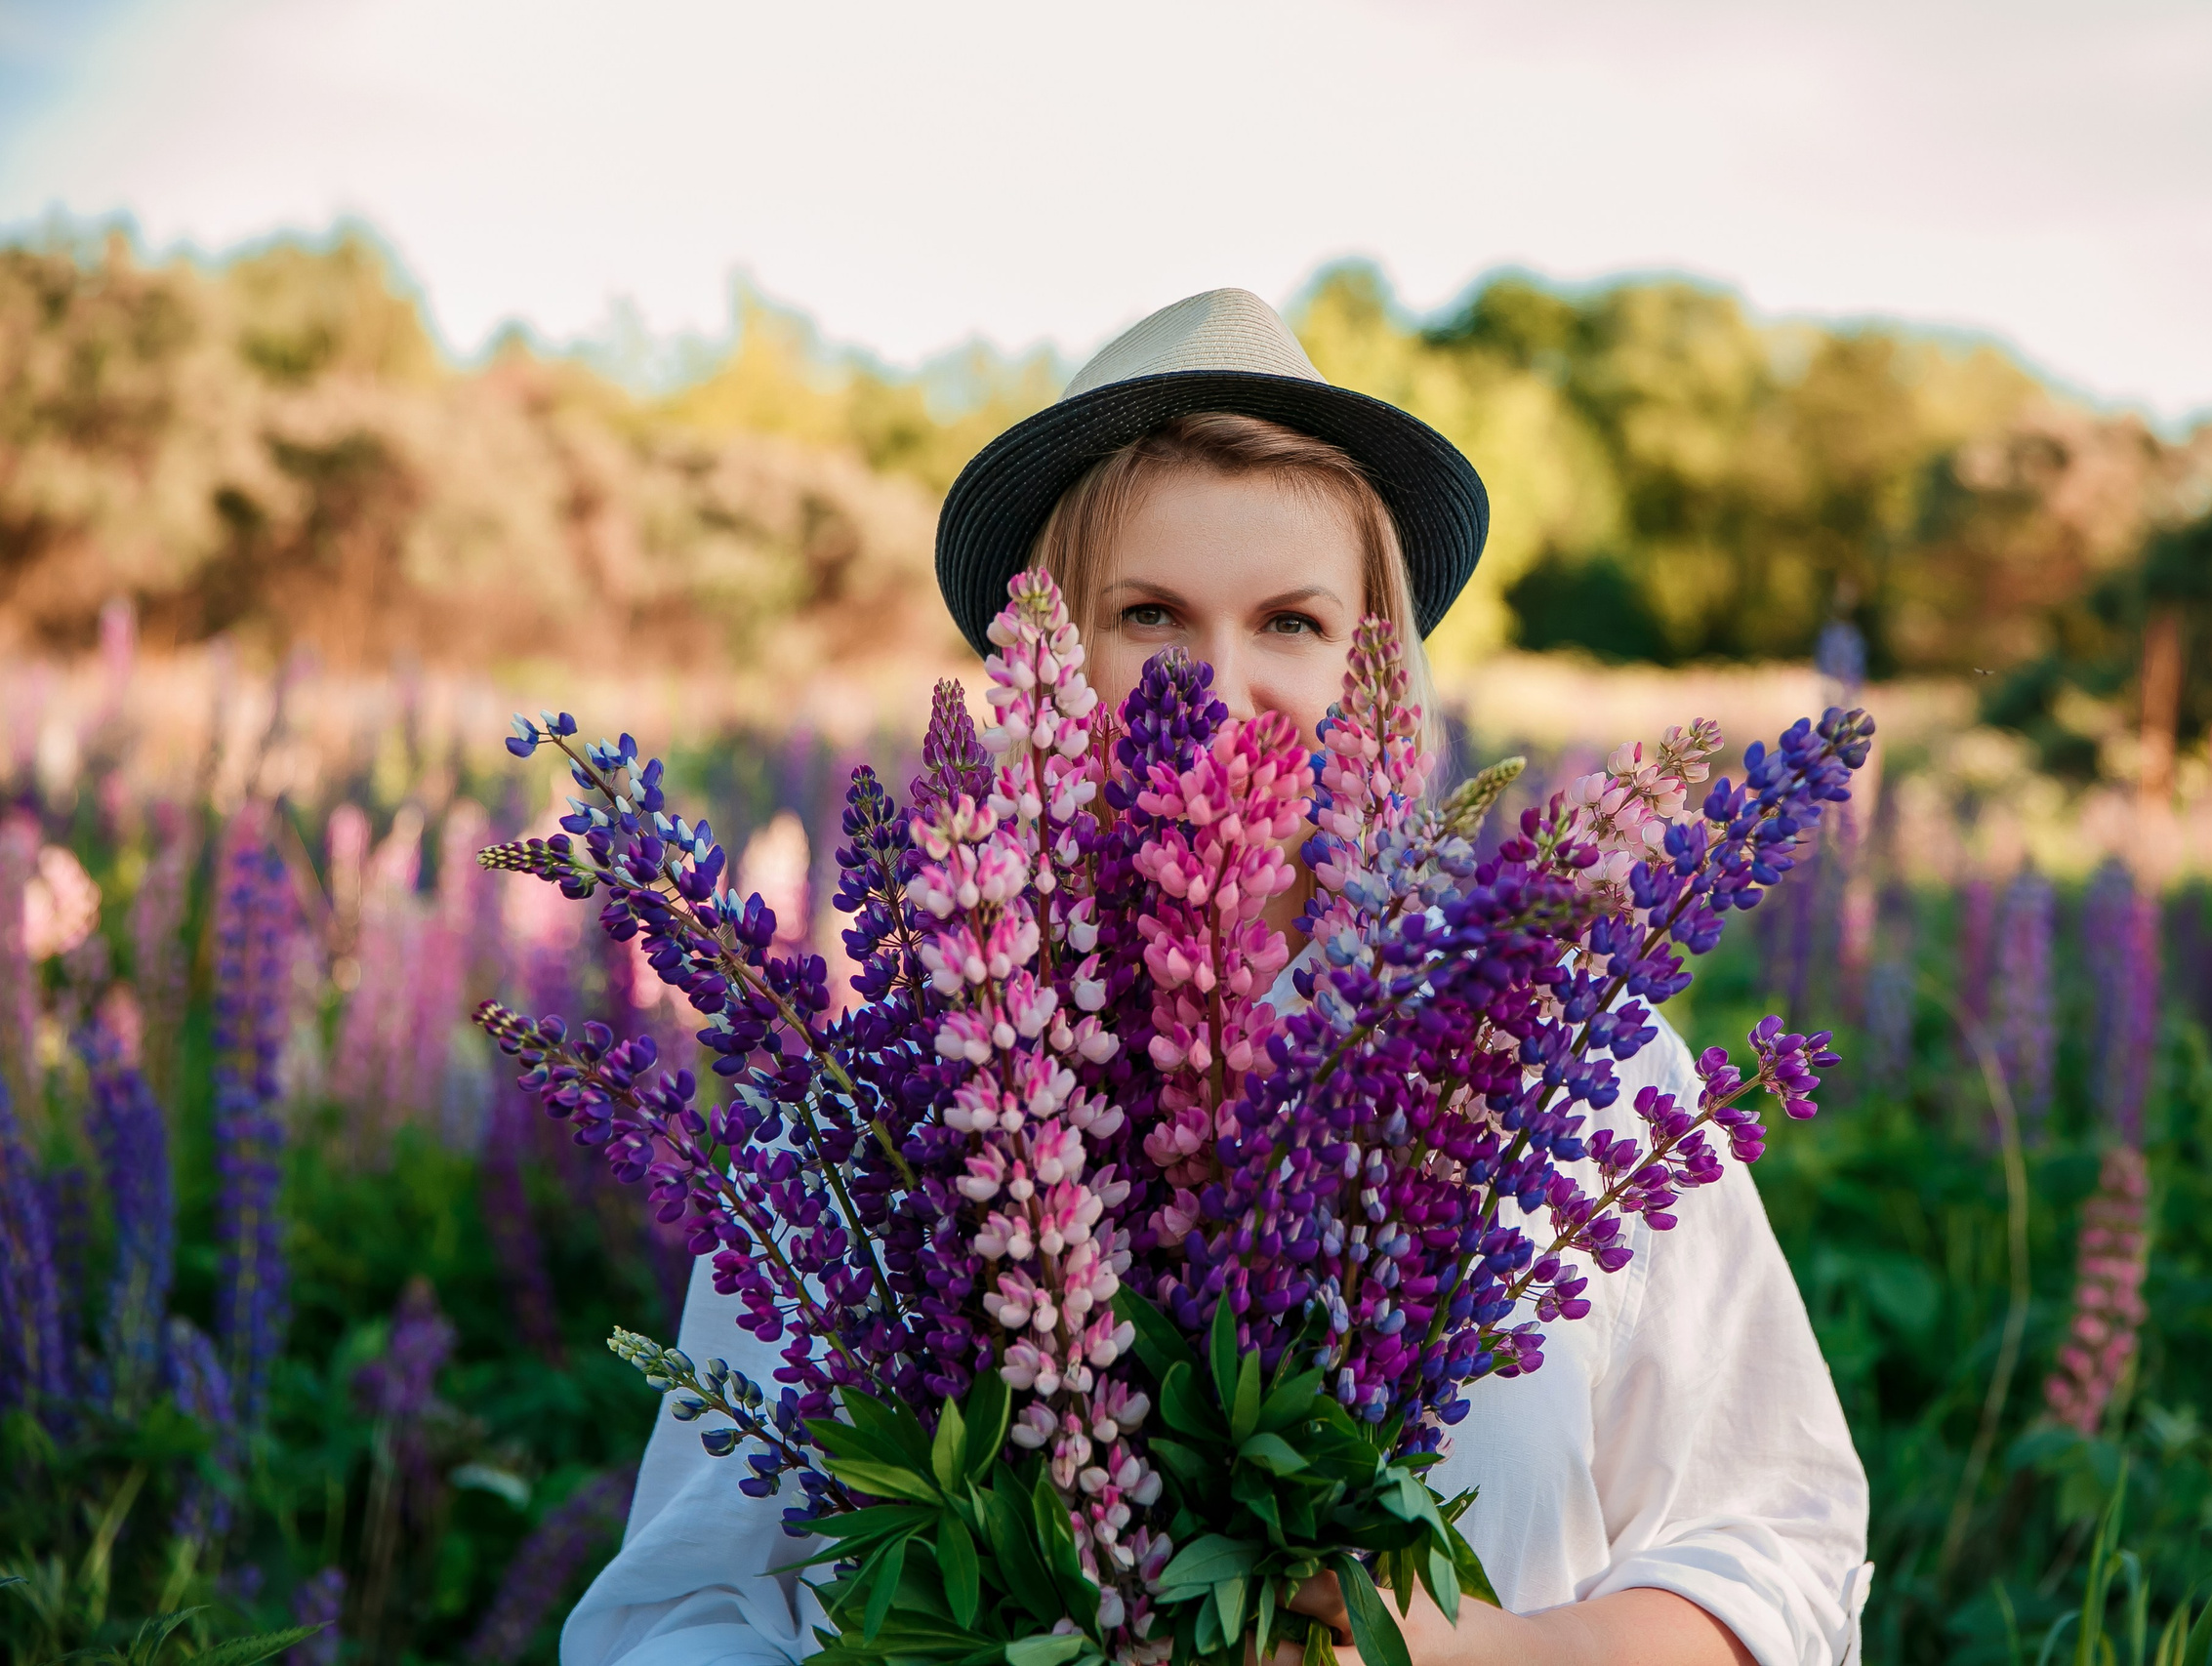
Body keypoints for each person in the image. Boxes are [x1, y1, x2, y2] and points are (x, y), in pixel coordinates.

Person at [563, 289, 1871, 1666]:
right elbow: (687, 1612)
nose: (1222, 681)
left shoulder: (1563, 1051)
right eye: (1148, 613)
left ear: (1374, 668)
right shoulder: (871, 1104)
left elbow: (1779, 1556)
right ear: (1050, 666)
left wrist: (1460, 1652)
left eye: (1294, 623)